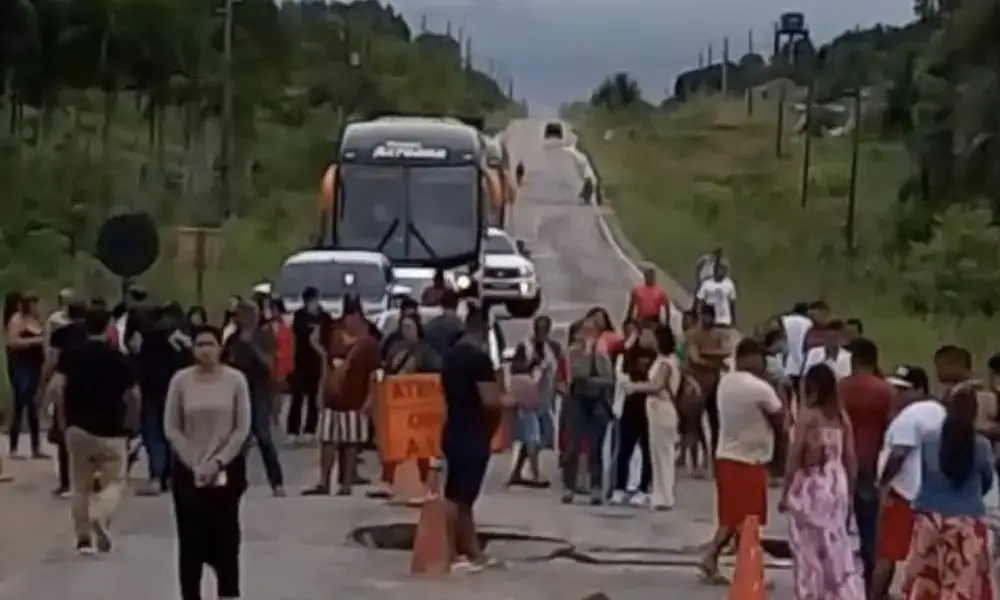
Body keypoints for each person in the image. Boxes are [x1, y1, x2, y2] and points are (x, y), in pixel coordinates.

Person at [164, 325, 251, 600]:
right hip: (189, 471)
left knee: (226, 541)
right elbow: (172, 427)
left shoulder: (235, 380)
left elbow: (241, 428)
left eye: (210, 344)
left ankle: (228, 592)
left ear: (220, 348)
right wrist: (194, 463)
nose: (205, 350)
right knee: (190, 542)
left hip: (226, 471)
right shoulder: (181, 381)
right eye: (200, 344)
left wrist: (218, 462)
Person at [49, 306, 139, 554]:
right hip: (112, 428)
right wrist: (132, 422)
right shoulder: (119, 358)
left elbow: (56, 388)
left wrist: (61, 418)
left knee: (80, 485)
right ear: (108, 326)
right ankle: (100, 514)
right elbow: (134, 394)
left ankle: (83, 538)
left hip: (78, 427)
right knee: (115, 481)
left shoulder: (70, 356)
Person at [699, 338, 784, 584]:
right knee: (748, 521)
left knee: (731, 518)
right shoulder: (759, 388)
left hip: (727, 456)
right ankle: (748, 569)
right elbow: (780, 419)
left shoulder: (726, 382)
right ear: (749, 358)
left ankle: (715, 559)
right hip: (748, 461)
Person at [440, 305, 518, 571]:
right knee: (464, 497)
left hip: (453, 427)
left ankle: (456, 548)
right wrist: (511, 400)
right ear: (484, 331)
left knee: (455, 493)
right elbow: (490, 400)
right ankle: (466, 551)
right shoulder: (478, 360)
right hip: (473, 431)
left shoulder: (450, 356)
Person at [901, 383, 996, 600]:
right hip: (967, 523)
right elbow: (987, 481)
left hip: (929, 521)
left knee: (926, 584)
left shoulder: (929, 439)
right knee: (964, 586)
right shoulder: (981, 445)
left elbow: (923, 475)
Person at [780, 364, 864, 600]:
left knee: (807, 546)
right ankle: (839, 591)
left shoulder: (808, 417)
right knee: (835, 542)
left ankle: (812, 592)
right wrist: (849, 491)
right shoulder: (841, 417)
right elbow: (851, 458)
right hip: (837, 481)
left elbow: (796, 456)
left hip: (813, 483)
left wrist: (786, 491)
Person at [874, 365, 940, 600]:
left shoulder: (909, 416)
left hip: (903, 494)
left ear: (920, 390)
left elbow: (899, 453)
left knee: (886, 553)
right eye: (896, 388)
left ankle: (876, 595)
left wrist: (883, 485)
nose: (897, 394)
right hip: (931, 495)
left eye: (904, 390)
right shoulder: (938, 411)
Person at [304, 296, 380, 496]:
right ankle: (324, 482)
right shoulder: (334, 337)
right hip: (332, 397)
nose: (350, 321)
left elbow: (375, 374)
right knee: (327, 440)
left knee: (351, 442)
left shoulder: (369, 344)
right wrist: (321, 391)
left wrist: (370, 399)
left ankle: (346, 483)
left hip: (355, 400)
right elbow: (326, 364)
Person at [833, 336, 891, 590]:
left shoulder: (841, 388)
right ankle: (872, 586)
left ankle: (836, 583)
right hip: (871, 463)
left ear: (854, 360)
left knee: (836, 527)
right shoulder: (884, 390)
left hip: (840, 462)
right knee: (871, 531)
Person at [369, 312, 439, 500]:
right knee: (393, 443)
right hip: (397, 405)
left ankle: (427, 485)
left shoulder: (426, 352)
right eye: (404, 327)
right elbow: (387, 369)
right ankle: (387, 480)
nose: (407, 331)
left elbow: (435, 374)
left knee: (422, 447)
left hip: (417, 406)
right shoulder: (395, 349)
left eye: (410, 327)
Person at [223, 301, 285, 496]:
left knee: (263, 436)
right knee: (238, 439)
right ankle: (237, 479)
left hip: (258, 391)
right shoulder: (232, 339)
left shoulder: (263, 335)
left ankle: (277, 481)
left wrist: (251, 345)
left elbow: (269, 364)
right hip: (237, 392)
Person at [624, 325, 682, 510]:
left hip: (663, 408)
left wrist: (635, 387)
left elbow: (657, 385)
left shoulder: (666, 363)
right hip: (655, 409)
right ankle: (659, 493)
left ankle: (665, 496)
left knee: (663, 454)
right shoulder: (661, 359)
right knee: (656, 453)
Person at [562, 317, 615, 505]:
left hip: (597, 402)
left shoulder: (601, 353)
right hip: (577, 400)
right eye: (583, 331)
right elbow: (578, 373)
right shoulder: (573, 352)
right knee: (573, 445)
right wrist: (587, 353)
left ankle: (596, 487)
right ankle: (569, 486)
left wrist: (595, 356)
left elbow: (609, 378)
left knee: (595, 446)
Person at [40, 300, 88, 497]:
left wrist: (43, 383)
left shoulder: (61, 334)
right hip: (90, 386)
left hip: (66, 384)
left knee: (63, 431)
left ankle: (66, 482)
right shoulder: (93, 332)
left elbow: (52, 360)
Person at [507, 315, 559, 488]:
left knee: (542, 437)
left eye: (545, 329)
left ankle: (517, 471)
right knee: (532, 436)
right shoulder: (525, 346)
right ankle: (535, 474)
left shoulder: (552, 347)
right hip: (527, 397)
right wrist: (532, 364)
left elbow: (557, 370)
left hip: (544, 398)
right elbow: (515, 369)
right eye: (539, 328)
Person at [611, 322, 655, 504]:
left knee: (647, 450)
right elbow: (620, 366)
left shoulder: (657, 357)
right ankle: (619, 487)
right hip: (631, 404)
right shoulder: (630, 353)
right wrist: (628, 344)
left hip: (649, 406)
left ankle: (644, 488)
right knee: (624, 448)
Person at [685, 303, 728, 474]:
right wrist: (715, 362)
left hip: (713, 383)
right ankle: (696, 461)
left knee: (715, 423)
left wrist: (705, 353)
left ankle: (713, 460)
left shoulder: (717, 334)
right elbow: (694, 358)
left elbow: (726, 351)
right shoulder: (692, 334)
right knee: (693, 423)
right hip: (697, 384)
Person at [287, 286, 331, 443]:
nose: (312, 304)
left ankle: (310, 429)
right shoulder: (299, 316)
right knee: (297, 397)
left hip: (317, 363)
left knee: (314, 397)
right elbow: (297, 336)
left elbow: (327, 337)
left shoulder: (325, 317)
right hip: (301, 362)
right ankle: (293, 430)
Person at [7, 291, 47, 459]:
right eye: (33, 303)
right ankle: (13, 447)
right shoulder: (17, 320)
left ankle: (36, 447)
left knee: (34, 406)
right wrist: (35, 341)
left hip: (35, 365)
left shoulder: (37, 320)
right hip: (21, 365)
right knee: (20, 404)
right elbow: (12, 341)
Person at [695, 261, 737, 329]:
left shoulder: (729, 284)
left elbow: (732, 303)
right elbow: (699, 300)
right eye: (717, 268)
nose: (719, 271)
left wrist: (733, 320)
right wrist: (699, 316)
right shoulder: (706, 284)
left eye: (722, 269)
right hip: (708, 318)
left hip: (724, 319)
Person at [423, 289, 463, 360]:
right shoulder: (461, 326)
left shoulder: (431, 325)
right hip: (455, 362)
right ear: (457, 304)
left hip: (434, 362)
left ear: (441, 304)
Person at [380, 296, 420, 361]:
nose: (409, 322)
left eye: (413, 317)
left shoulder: (426, 341)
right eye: (406, 318)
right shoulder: (392, 342)